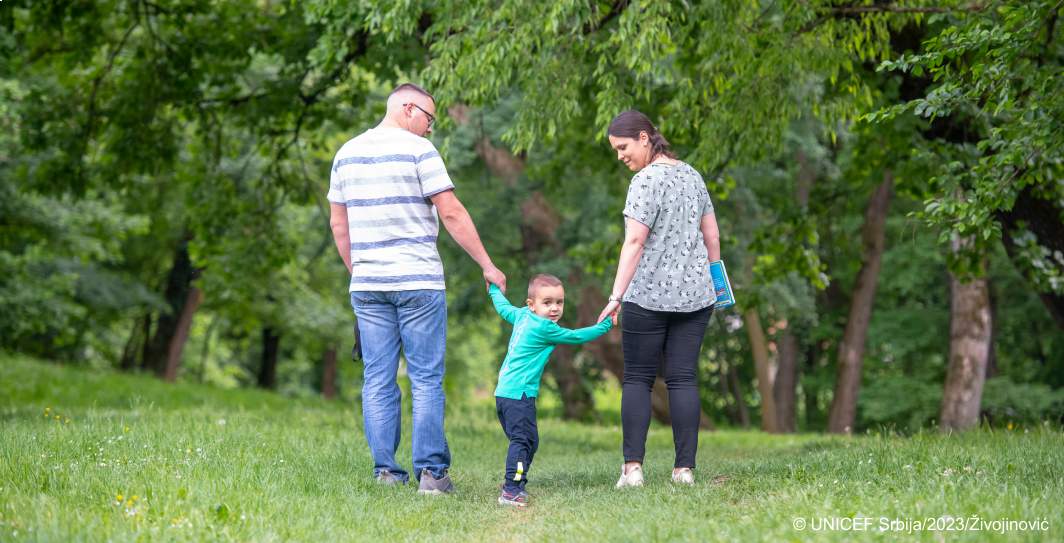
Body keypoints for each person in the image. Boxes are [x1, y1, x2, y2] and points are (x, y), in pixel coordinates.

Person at [328, 83, 507, 494]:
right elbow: (451, 212)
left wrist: (361, 271)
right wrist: (487, 265)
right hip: (418, 282)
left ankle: (387, 475)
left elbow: (340, 225)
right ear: (408, 109)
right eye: (429, 119)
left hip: (368, 284)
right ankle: (431, 475)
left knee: (377, 378)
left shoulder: (346, 154)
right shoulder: (419, 151)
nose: (430, 130)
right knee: (425, 378)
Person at [596, 110, 720, 488]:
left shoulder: (644, 181)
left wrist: (616, 296)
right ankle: (684, 471)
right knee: (683, 379)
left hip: (646, 296)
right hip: (695, 297)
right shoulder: (692, 175)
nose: (620, 156)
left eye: (623, 147)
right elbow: (712, 237)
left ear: (645, 138)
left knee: (637, 379)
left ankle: (632, 469)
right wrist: (717, 282)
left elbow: (635, 241)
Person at [489, 274, 613, 506]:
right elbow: (577, 337)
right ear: (532, 304)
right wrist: (606, 324)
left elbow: (503, 307)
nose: (555, 308)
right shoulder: (544, 327)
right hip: (519, 395)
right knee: (522, 441)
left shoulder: (522, 316)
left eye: (559, 302)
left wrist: (494, 289)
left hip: (505, 393)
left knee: (529, 441)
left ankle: (515, 480)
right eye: (547, 303)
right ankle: (511, 489)